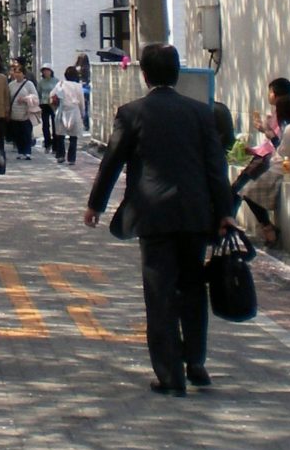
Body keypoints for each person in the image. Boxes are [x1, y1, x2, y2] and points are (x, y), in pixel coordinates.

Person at [83, 43, 236, 395]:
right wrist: (225, 212)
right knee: (193, 288)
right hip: (196, 215)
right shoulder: (201, 113)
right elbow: (216, 166)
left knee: (160, 293)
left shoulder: (133, 112)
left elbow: (112, 162)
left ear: (144, 74)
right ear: (177, 72)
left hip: (153, 216)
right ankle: (195, 361)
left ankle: (170, 374)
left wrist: (96, 205)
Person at [236, 91, 290, 247]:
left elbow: (282, 151)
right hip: (281, 166)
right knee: (248, 190)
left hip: (285, 168)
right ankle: (268, 228)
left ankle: (268, 229)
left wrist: (270, 135)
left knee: (248, 193)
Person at [6, 59, 39, 159]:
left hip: (26, 113)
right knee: (17, 134)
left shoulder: (29, 84)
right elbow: (8, 97)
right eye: (15, 72)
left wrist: (25, 99)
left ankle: (27, 152)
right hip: (14, 114)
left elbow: (35, 97)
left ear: (24, 74)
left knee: (26, 133)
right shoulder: (11, 85)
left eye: (19, 72)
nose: (17, 74)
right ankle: (20, 151)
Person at [53, 66, 85, 164]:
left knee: (60, 135)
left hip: (62, 110)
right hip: (74, 111)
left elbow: (52, 95)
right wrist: (82, 113)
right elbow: (81, 101)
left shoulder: (60, 84)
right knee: (73, 136)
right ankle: (71, 158)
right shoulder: (78, 86)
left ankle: (60, 155)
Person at [36, 65, 59, 155]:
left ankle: (55, 146)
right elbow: (38, 93)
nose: (46, 72)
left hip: (53, 105)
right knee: (45, 125)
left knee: (55, 125)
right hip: (44, 104)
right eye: (44, 71)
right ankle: (47, 144)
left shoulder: (56, 81)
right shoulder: (41, 82)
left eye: (47, 70)